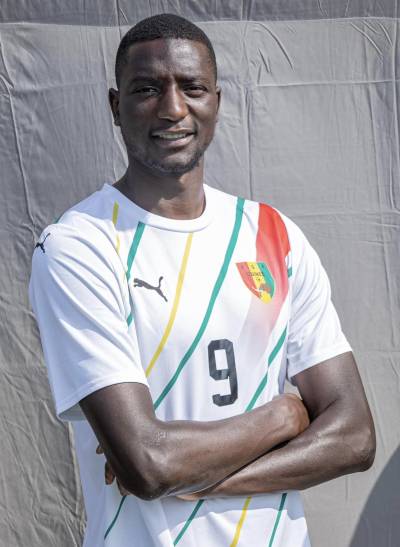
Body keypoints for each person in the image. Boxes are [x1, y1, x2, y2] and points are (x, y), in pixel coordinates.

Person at [29, 13, 375, 547]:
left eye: (192, 87)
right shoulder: (79, 245)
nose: (173, 108)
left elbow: (354, 436)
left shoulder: (273, 234)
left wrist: (204, 481)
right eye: (147, 89)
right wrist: (283, 416)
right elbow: (148, 463)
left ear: (217, 100)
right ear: (115, 107)